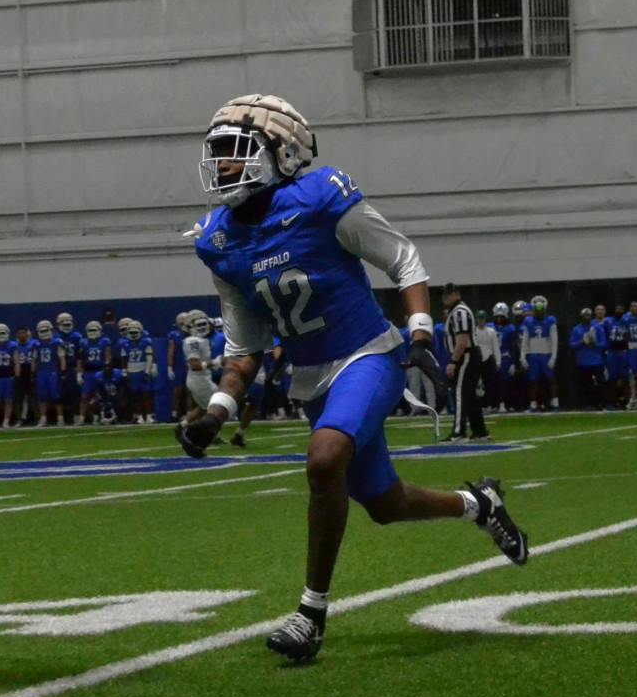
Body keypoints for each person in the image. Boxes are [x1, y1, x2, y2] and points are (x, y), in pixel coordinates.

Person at [174, 95, 528, 662]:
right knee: (385, 503)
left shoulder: (318, 197)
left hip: (368, 354)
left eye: (235, 151)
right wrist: (215, 413)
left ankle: (310, 614)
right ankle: (478, 504)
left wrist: (419, 335)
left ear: (281, 152)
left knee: (324, 458)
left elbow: (403, 258)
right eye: (217, 153)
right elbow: (243, 353)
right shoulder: (218, 240)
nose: (222, 165)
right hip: (314, 378)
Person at [440, 284, 482, 438]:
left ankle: (459, 432)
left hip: (466, 355)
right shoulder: (457, 311)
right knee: (469, 395)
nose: (444, 298)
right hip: (467, 355)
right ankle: (480, 431)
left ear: (455, 294)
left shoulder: (459, 312)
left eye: (447, 294)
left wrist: (453, 361)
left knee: (459, 393)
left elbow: (462, 341)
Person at [522, 296, 559, 411]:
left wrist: (553, 357)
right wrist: (522, 357)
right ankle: (533, 404)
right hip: (533, 354)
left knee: (551, 379)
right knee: (533, 381)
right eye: (537, 311)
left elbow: (554, 340)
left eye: (540, 311)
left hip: (546, 354)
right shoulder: (528, 322)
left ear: (544, 310)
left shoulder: (550, 321)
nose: (539, 313)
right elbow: (525, 340)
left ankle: (555, 403)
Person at [569, 306, 605, 411]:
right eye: (584, 315)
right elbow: (572, 345)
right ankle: (587, 404)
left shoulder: (597, 328)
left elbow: (604, 344)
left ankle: (600, 404)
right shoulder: (576, 329)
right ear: (581, 317)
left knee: (600, 384)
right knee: (585, 385)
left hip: (596, 361)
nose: (586, 317)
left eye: (588, 315)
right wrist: (582, 342)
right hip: (583, 362)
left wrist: (594, 344)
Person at [29, 319, 63, 427]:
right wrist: (33, 373)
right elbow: (34, 360)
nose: (44, 333)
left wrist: (63, 372)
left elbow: (62, 359)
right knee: (42, 397)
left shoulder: (56, 342)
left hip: (53, 372)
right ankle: (43, 419)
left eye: (45, 330)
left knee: (56, 396)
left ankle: (60, 418)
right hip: (41, 373)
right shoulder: (36, 344)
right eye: (42, 331)